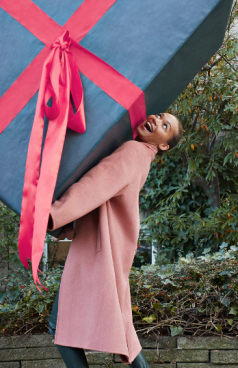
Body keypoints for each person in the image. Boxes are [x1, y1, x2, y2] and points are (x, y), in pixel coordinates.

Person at [47, 112, 182, 367]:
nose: (157, 119)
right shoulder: (143, 156)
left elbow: (96, 184)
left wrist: (53, 215)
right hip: (109, 247)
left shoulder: (133, 150)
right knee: (118, 328)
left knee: (61, 326)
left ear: (164, 144)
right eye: (161, 115)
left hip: (101, 248)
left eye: (165, 125)